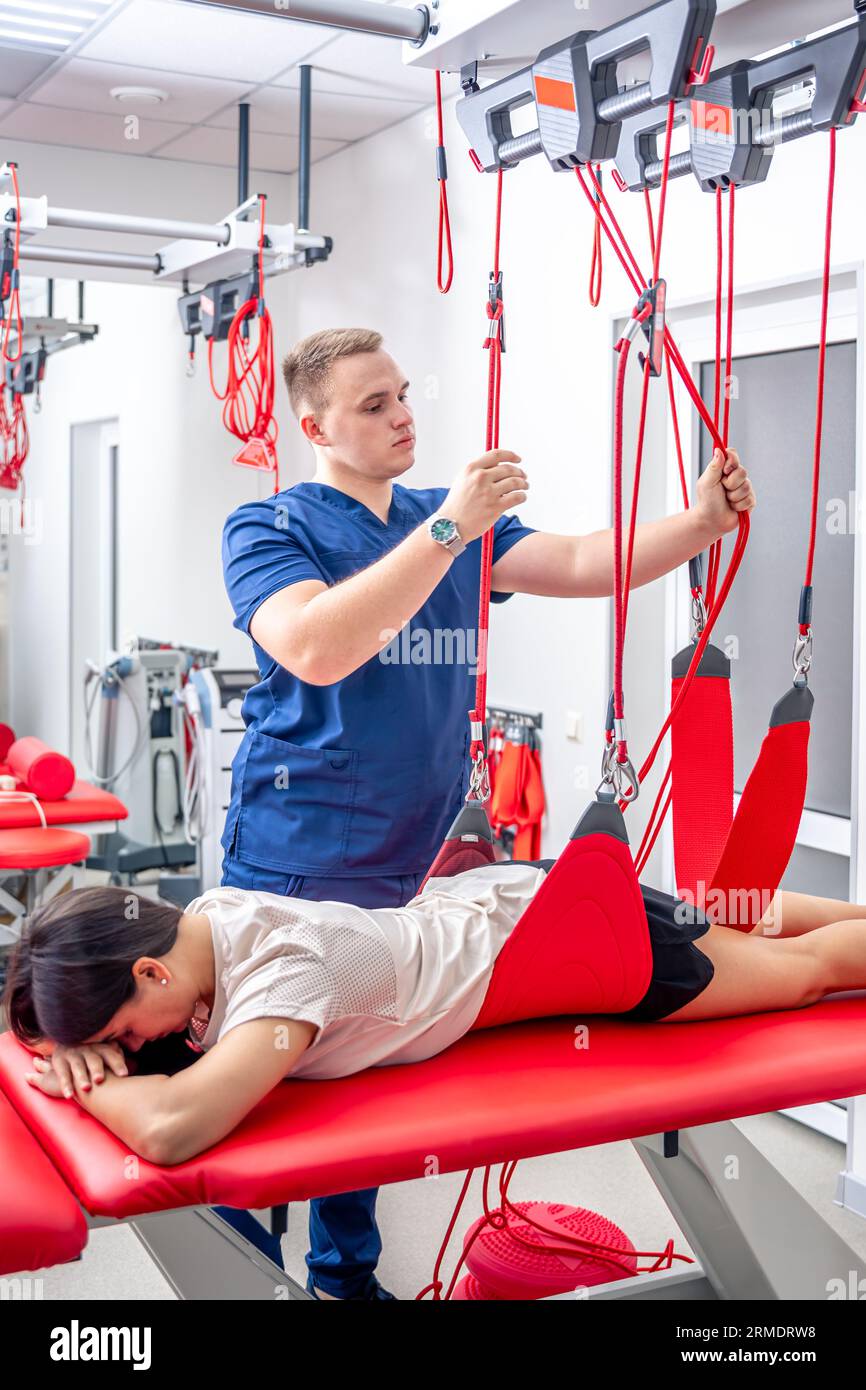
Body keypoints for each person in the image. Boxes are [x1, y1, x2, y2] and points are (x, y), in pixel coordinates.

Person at [216, 326, 754, 1298]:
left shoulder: (445, 519)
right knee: (258, 1087)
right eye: (373, 404)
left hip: (404, 865)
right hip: (293, 853)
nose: (401, 414)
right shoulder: (271, 528)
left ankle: (346, 1278)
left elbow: (589, 557)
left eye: (402, 394)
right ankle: (238, 1277)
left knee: (364, 1084)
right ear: (315, 425)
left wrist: (698, 525)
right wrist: (445, 531)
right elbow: (316, 646)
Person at [9, 866, 866, 1182]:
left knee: (802, 977)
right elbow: (46, 990)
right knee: (734, 924)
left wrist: (79, 1086)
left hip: (581, 946)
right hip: (517, 903)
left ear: (150, 972)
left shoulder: (286, 975)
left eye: (121, 1033)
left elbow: (171, 1131)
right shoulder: (204, 916)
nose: (131, 1049)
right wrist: (72, 1035)